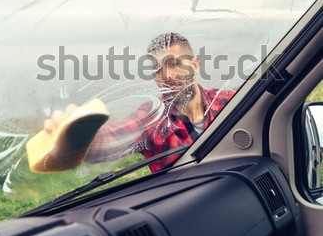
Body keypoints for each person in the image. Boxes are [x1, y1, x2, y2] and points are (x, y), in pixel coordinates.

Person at [44, 32, 235, 172]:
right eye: (156, 69)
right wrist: (76, 137)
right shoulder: (153, 118)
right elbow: (112, 138)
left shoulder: (229, 102)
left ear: (195, 64)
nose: (166, 76)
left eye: (173, 63)